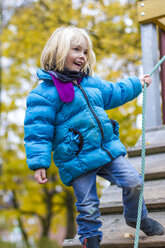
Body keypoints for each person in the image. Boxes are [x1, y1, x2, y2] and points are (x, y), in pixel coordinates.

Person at [24, 26, 164, 248]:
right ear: (58, 51)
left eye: (86, 52)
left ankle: (137, 218)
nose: (82, 56)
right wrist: (39, 162)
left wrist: (136, 84)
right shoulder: (43, 94)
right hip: (76, 159)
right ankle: (90, 240)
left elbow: (115, 92)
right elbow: (37, 131)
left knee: (133, 182)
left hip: (106, 150)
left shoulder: (91, 83)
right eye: (76, 49)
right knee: (88, 204)